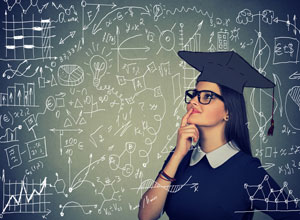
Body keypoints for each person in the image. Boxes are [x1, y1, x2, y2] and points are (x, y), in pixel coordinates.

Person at [138, 51, 300, 220]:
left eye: (207, 96)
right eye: (194, 95)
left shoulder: (247, 170)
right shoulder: (180, 158)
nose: (193, 101)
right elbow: (146, 216)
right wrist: (178, 154)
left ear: (228, 112)